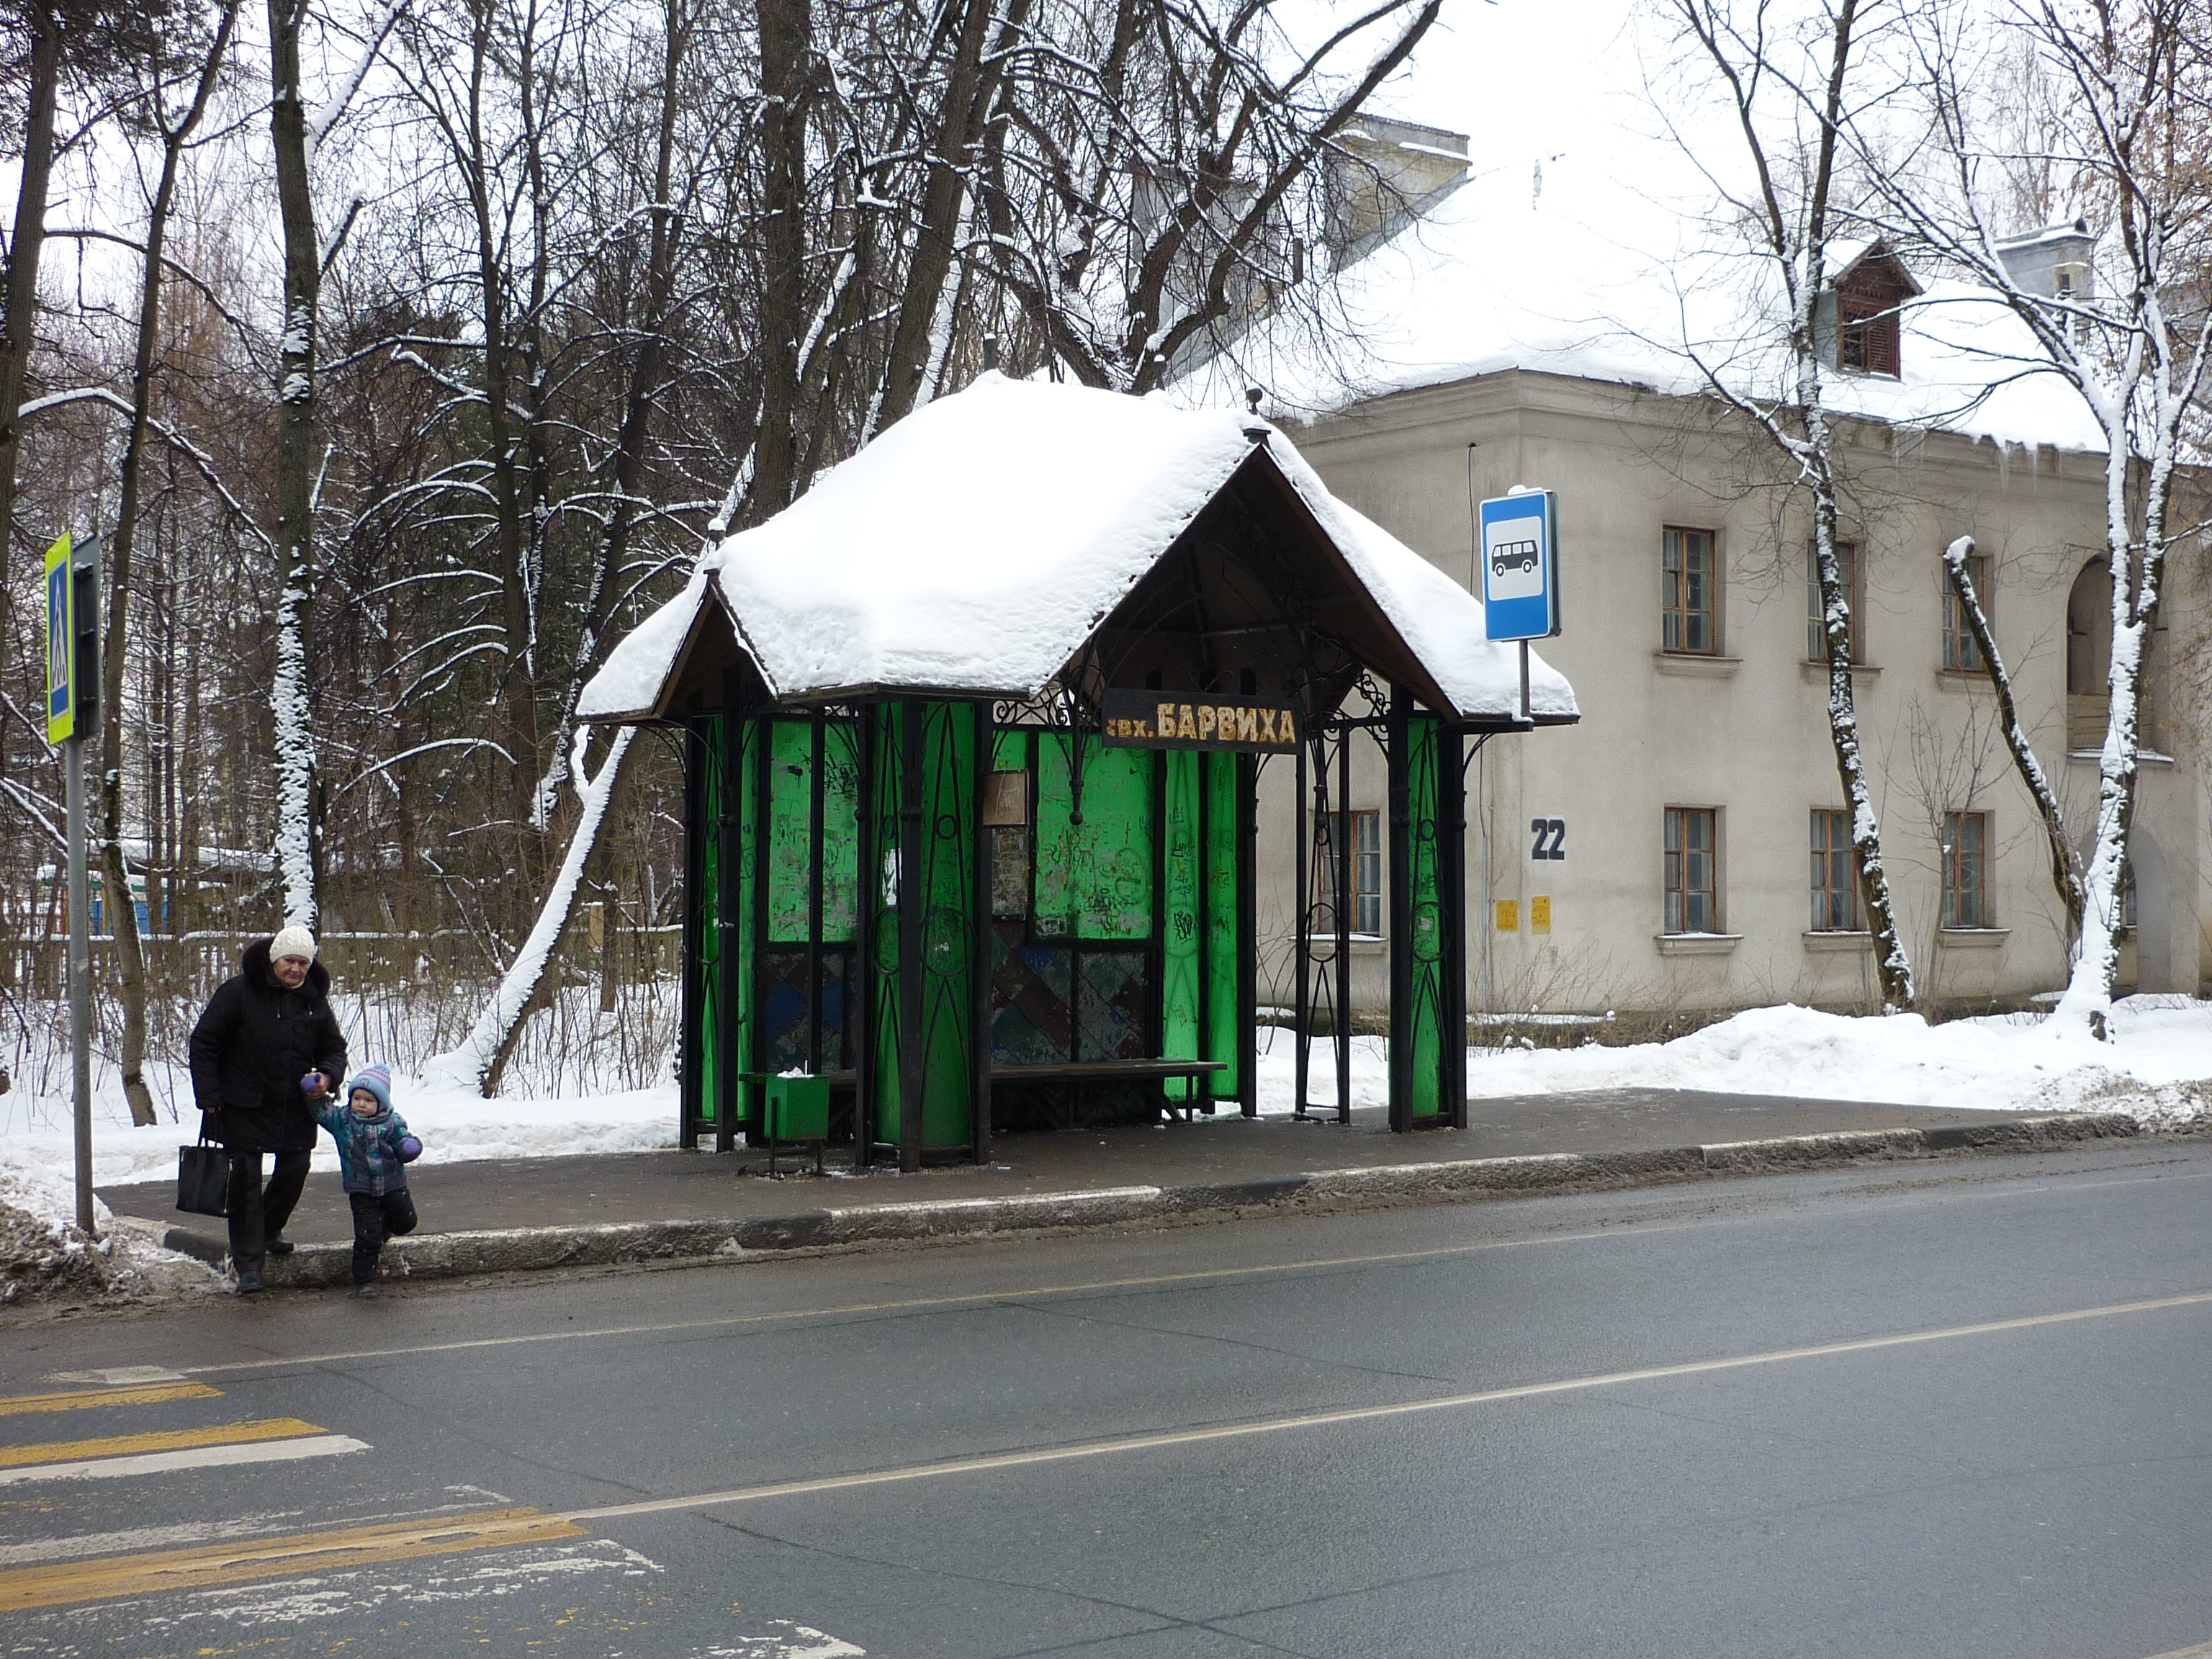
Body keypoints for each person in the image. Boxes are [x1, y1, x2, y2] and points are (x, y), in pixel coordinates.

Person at [187, 926, 347, 1294]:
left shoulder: (314, 1000)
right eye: (290, 961)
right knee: (244, 1182)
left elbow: (334, 1048)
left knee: (295, 1167)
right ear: (275, 960)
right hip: (241, 1103)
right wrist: (208, 1093)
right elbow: (204, 1043)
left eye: (303, 963)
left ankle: (269, 1228)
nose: (296, 969)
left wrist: (328, 1075)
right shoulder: (238, 992)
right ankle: (249, 1265)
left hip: (295, 1105)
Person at [315, 1064, 421, 1298]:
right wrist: (314, 1092)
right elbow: (321, 1111)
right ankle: (366, 1279)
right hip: (361, 1189)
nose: (361, 1104)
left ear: (381, 1103)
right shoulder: (343, 1120)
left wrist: (408, 1147)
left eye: (368, 1100)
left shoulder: (393, 1123)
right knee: (367, 1236)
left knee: (406, 1222)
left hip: (393, 1184)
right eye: (357, 1098)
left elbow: (403, 1138)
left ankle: (384, 1228)